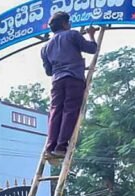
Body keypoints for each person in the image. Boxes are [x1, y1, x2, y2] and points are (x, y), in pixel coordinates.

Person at [41, 12, 97, 157]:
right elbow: (92, 49)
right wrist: (91, 35)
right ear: (65, 24)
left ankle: (50, 147)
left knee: (55, 112)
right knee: (70, 110)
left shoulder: (45, 47)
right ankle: (61, 146)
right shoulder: (72, 35)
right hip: (73, 78)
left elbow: (48, 71)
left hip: (57, 81)